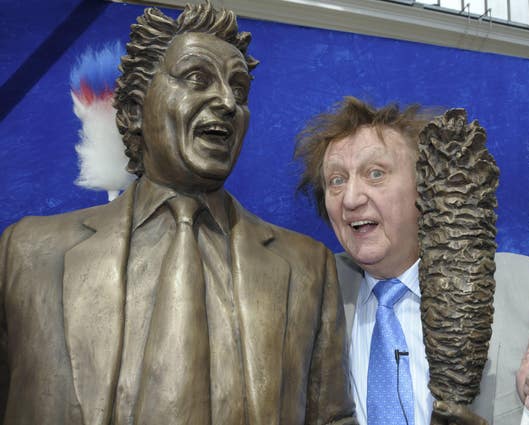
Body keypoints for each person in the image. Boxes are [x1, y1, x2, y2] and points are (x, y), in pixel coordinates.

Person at [0, 3, 355, 424]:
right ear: (134, 111)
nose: (226, 101)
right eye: (196, 78)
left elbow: (331, 417)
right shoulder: (26, 254)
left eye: (238, 90)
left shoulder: (307, 268)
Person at [294, 96, 529, 425]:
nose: (352, 198)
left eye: (375, 173)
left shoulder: (528, 289)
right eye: (336, 180)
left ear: (427, 187)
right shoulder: (309, 293)